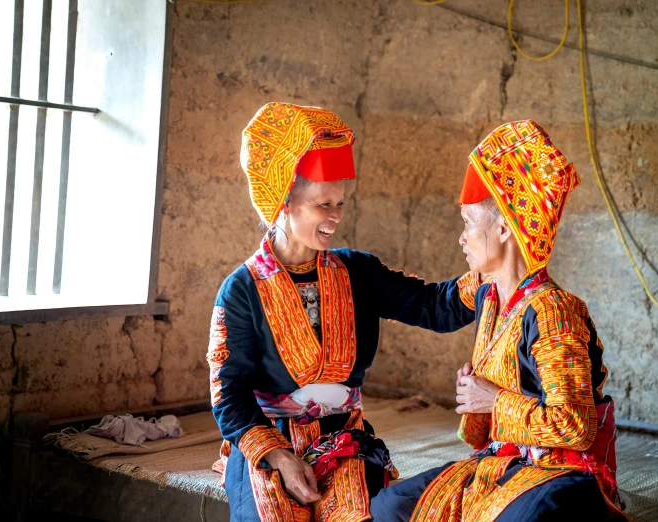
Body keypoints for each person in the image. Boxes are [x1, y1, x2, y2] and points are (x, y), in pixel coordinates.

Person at [206, 102, 481, 522]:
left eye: (340, 203)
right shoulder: (241, 291)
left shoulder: (357, 272)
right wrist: (280, 458)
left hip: (344, 440)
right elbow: (229, 394)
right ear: (284, 204)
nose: (335, 216)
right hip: (270, 443)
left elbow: (434, 307)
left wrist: (492, 273)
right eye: (323, 204)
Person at [370, 120, 628, 522]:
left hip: (562, 470)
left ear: (505, 227)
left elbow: (576, 427)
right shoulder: (486, 292)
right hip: (502, 462)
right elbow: (433, 303)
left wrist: (492, 400)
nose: (462, 237)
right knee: (390, 507)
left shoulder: (553, 312)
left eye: (469, 223)